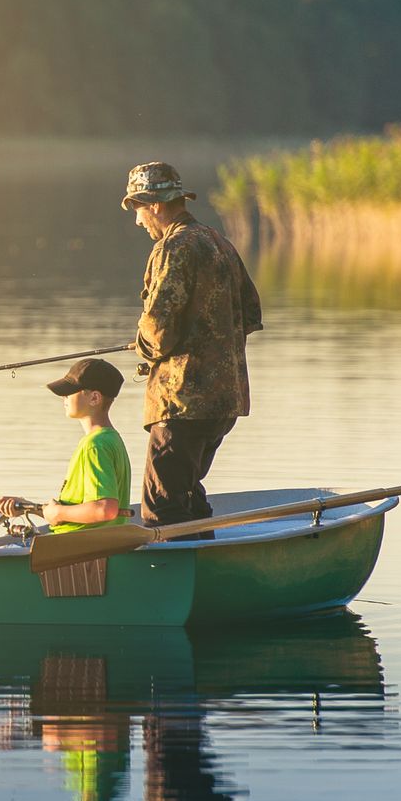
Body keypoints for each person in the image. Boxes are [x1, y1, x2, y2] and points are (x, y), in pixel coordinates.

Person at [122, 161, 263, 531]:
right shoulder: (219, 242)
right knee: (187, 496)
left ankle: (171, 583)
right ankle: (208, 573)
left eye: (138, 209)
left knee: (162, 510)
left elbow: (157, 330)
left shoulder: (175, 246)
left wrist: (142, 346)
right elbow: (251, 314)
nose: (138, 222)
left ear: (154, 204)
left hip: (182, 403)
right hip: (224, 401)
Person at [0, 357, 131, 534]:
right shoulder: (111, 439)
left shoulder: (95, 445)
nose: (63, 397)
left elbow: (105, 509)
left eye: (70, 392)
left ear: (94, 398)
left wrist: (58, 512)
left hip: (83, 554)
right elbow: (82, 511)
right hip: (89, 546)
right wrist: (29, 507)